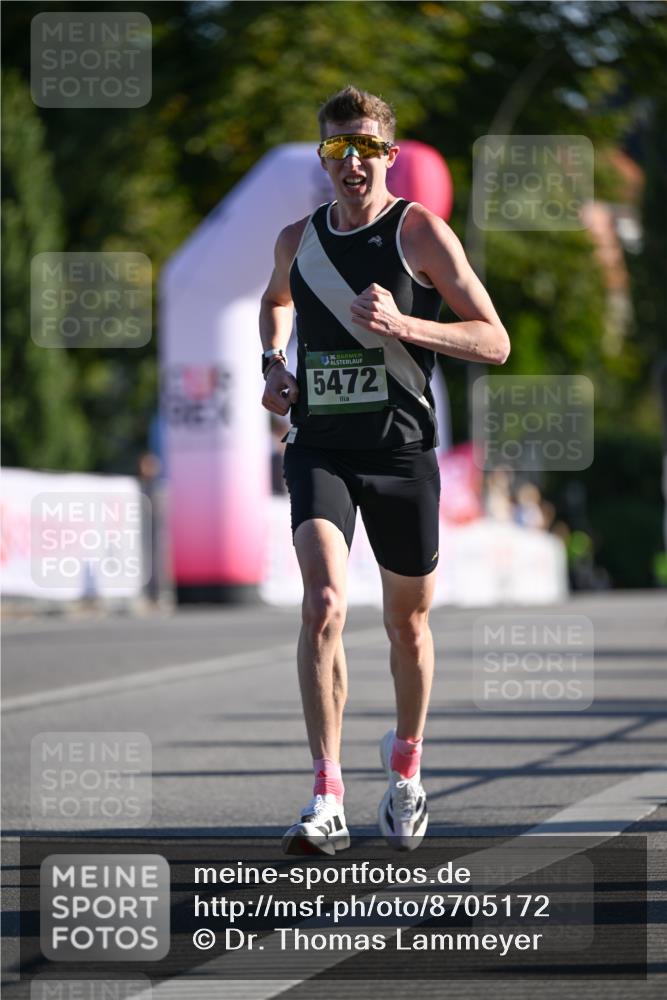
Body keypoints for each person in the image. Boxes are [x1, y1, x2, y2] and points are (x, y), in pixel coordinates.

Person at [259, 86, 509, 855]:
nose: (353, 163)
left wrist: (403, 323)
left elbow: (494, 341)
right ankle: (325, 794)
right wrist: (272, 363)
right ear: (323, 157)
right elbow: (275, 304)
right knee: (324, 602)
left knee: (407, 623)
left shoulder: (418, 233)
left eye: (367, 147)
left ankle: (404, 770)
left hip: (401, 449)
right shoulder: (295, 240)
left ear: (389, 155)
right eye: (339, 149)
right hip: (321, 444)